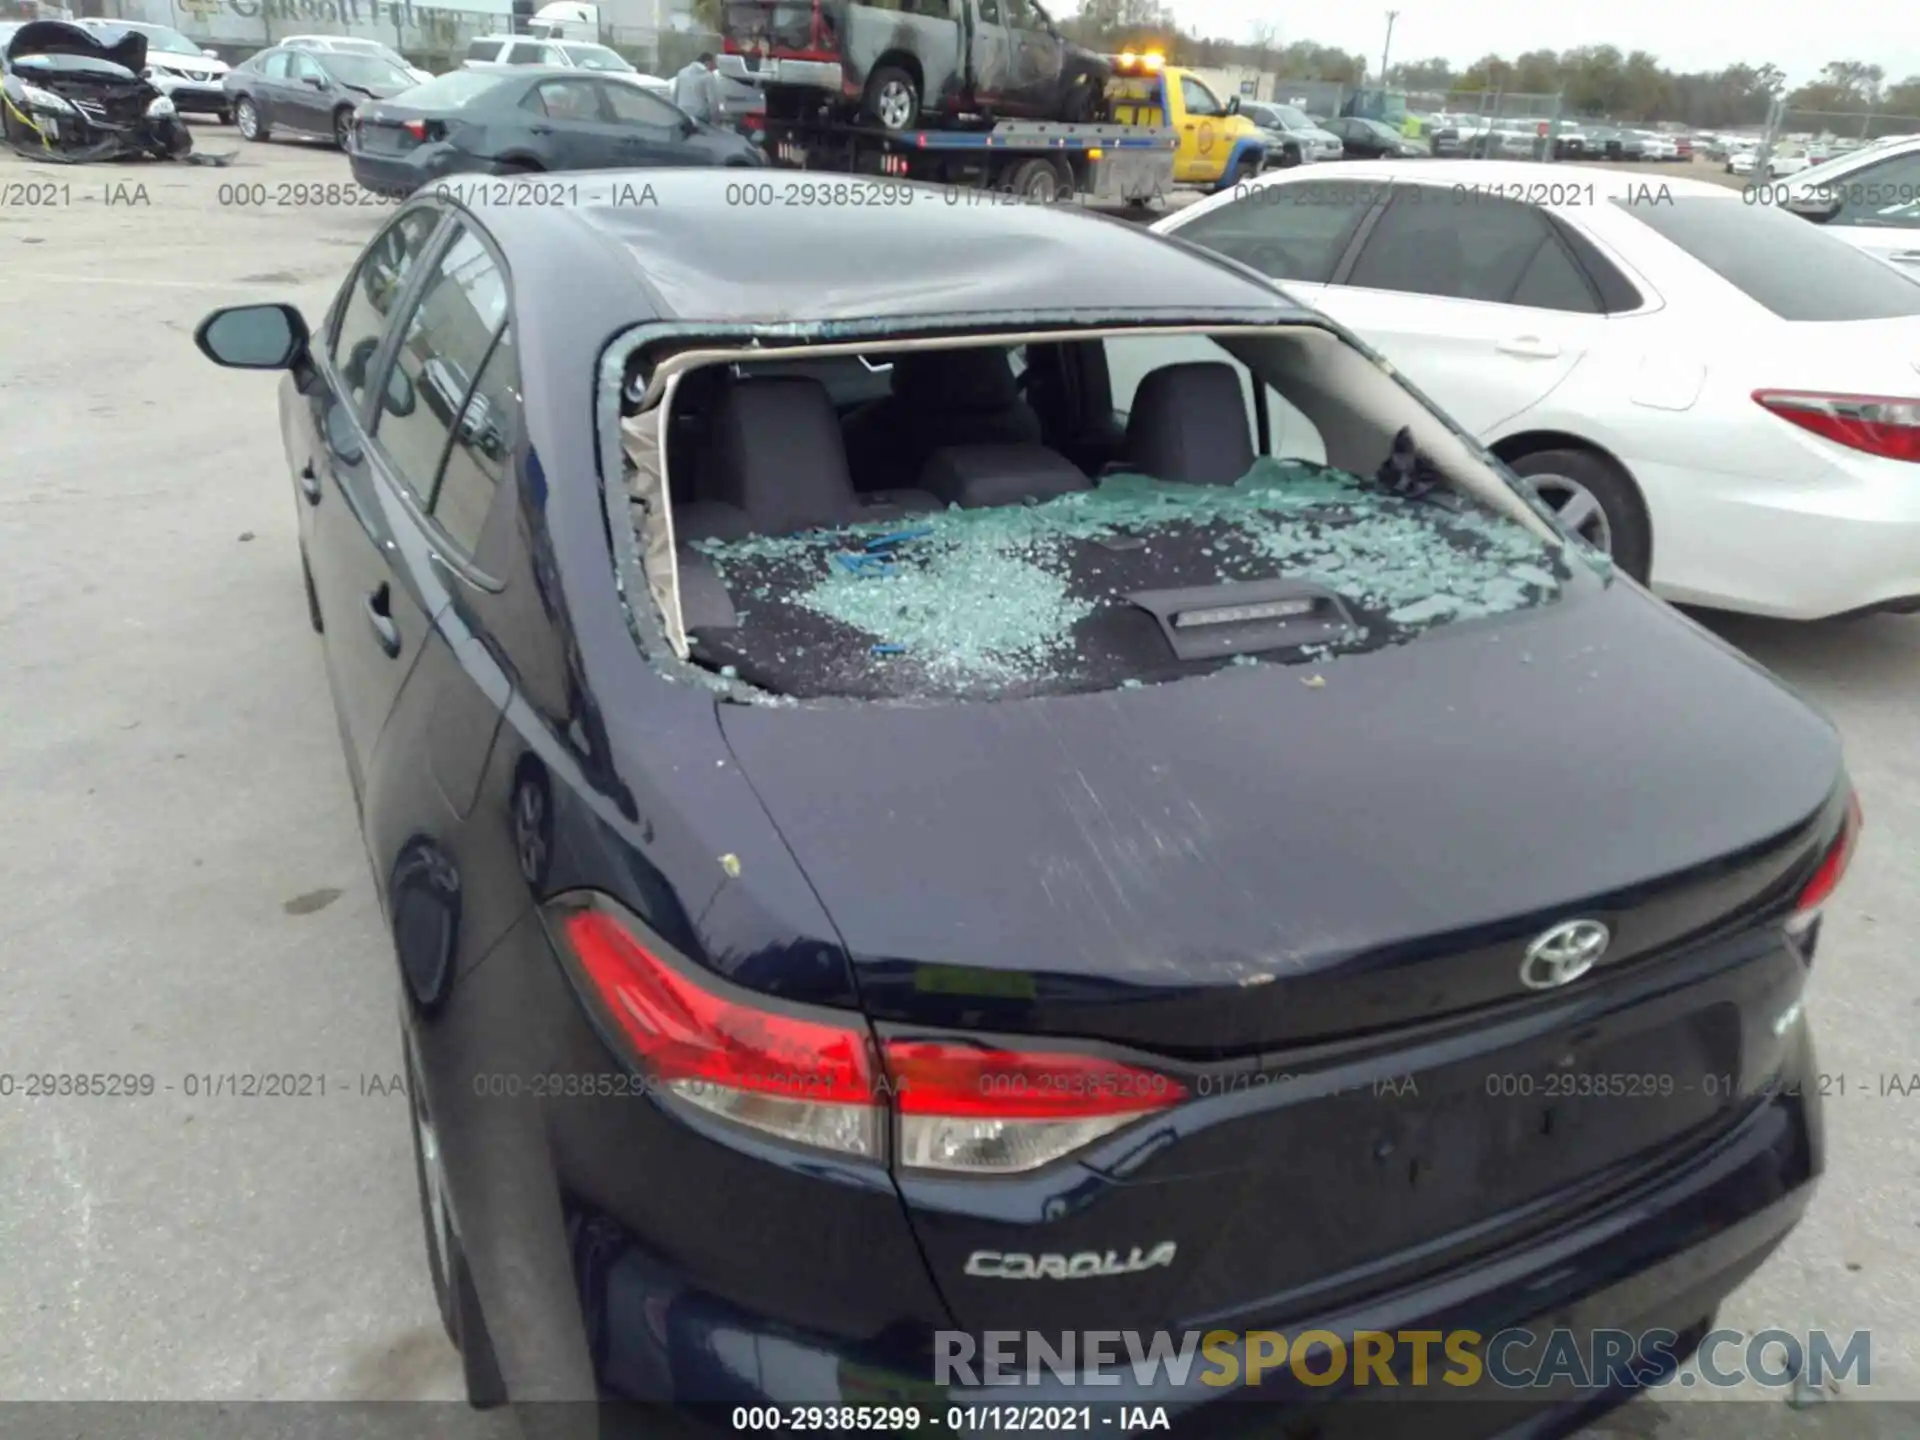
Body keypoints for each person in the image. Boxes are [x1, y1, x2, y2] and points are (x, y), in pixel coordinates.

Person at [672, 52, 720, 124]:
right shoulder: (707, 76)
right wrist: (716, 119)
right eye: (713, 65)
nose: (713, 68)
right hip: (700, 116)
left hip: (682, 114)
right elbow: (713, 102)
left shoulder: (681, 72)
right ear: (708, 63)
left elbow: (675, 96)